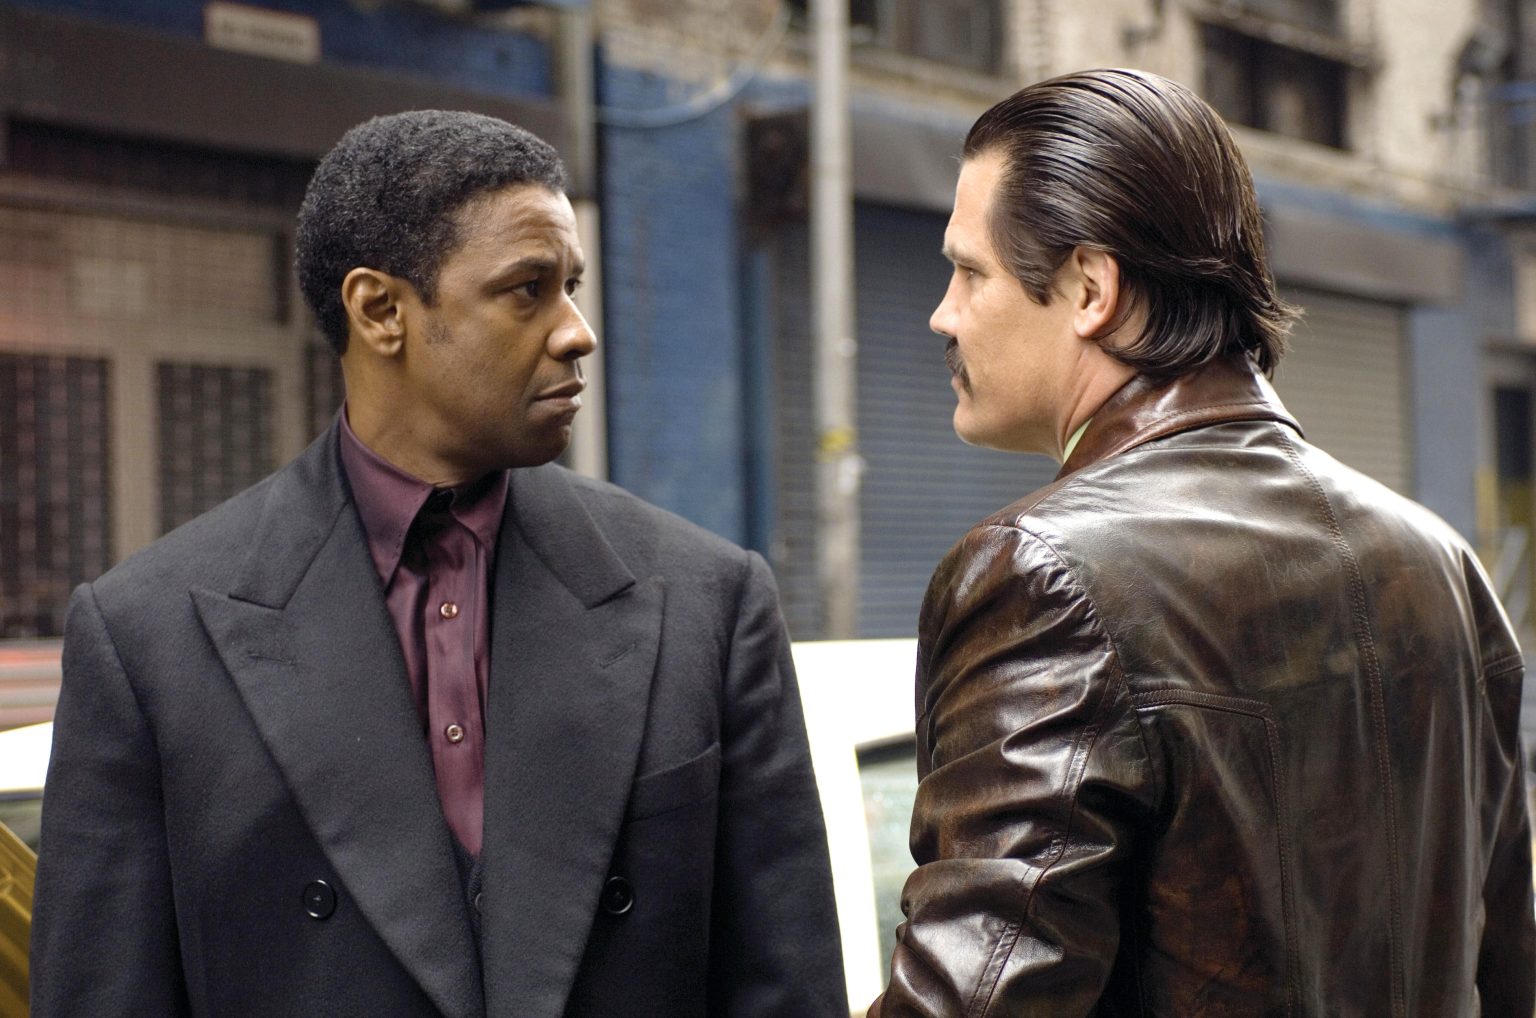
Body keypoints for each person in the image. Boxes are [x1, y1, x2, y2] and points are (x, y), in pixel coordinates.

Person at [32, 110, 847, 1018]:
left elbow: (786, 987)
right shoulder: (148, 637)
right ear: (381, 311)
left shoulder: (708, 602)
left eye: (572, 286)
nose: (577, 332)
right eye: (528, 290)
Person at [870, 69, 1536, 1016]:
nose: (943, 312)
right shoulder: (1441, 564)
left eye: (970, 272)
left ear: (1090, 288)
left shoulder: (1044, 573)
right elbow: (1507, 966)